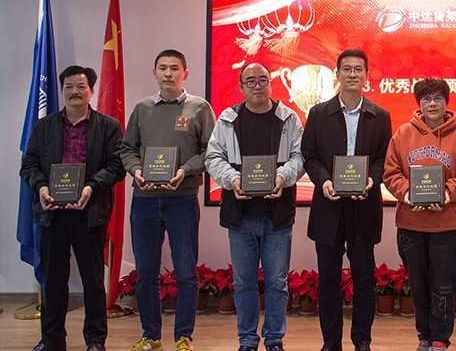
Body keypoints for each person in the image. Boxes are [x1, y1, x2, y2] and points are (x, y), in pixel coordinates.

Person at [20, 65, 125, 351]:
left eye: (80, 86)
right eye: (68, 86)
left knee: (93, 282)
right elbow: (28, 165)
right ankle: (52, 340)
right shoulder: (44, 126)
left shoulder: (108, 127)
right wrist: (42, 187)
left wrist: (91, 187)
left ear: (91, 90)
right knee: (53, 281)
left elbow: (116, 166)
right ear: (62, 89)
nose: (74, 92)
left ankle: (95, 340)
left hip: (90, 213)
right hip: (52, 213)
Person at [120, 49, 215, 351]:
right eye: (163, 68)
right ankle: (151, 336)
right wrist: (136, 170)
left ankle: (183, 337)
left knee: (185, 271)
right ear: (155, 73)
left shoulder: (199, 108)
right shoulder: (142, 108)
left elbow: (211, 151)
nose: (168, 73)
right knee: (146, 273)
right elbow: (127, 149)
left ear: (185, 73)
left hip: (182, 200)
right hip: (144, 201)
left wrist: (185, 170)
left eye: (175, 68)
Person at [205, 62, 304, 351]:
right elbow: (213, 157)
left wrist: (282, 177)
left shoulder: (289, 118)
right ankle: (247, 340)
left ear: (271, 83)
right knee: (243, 284)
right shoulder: (228, 119)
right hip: (240, 217)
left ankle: (274, 339)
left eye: (263, 80)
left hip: (277, 216)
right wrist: (232, 179)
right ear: (241, 87)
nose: (257, 85)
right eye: (251, 81)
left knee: (277, 283)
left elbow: (300, 156)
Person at [301, 49, 392, 351]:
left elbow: (383, 158)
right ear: (337, 73)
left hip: (364, 207)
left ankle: (362, 341)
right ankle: (331, 342)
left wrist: (372, 179)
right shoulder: (318, 113)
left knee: (364, 279)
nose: (353, 74)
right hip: (328, 207)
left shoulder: (380, 116)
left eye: (358, 69)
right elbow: (309, 156)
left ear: (367, 75)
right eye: (347, 69)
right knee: (329, 280)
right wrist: (324, 181)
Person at [383, 78, 456, 351]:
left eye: (438, 98)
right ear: (419, 104)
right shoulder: (403, 134)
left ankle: (440, 339)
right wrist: (408, 193)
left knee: (444, 285)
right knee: (418, 285)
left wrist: (447, 193)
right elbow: (391, 173)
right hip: (411, 225)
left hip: (448, 226)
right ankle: (424, 336)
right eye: (426, 99)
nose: (432, 104)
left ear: (446, 102)